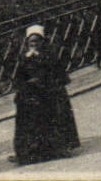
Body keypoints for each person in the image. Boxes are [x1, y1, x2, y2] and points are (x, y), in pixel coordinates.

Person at [12, 25, 80, 165]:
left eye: (37, 41)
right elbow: (18, 78)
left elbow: (59, 76)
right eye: (31, 42)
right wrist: (25, 86)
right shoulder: (24, 58)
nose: (34, 44)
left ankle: (57, 149)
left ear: (43, 42)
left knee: (52, 118)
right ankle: (29, 152)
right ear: (27, 43)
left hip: (48, 93)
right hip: (30, 94)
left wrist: (42, 82)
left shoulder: (49, 56)